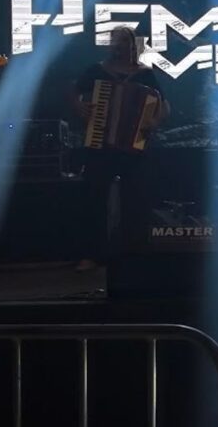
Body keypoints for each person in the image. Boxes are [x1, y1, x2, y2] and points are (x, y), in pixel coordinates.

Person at [69, 26, 169, 271]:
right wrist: (80, 107)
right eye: (114, 40)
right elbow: (74, 92)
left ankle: (132, 253)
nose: (118, 45)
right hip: (100, 142)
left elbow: (164, 105)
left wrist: (153, 122)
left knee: (135, 200)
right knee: (94, 198)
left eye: (123, 41)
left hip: (134, 145)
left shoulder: (145, 74)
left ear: (133, 45)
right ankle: (92, 254)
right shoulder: (97, 71)